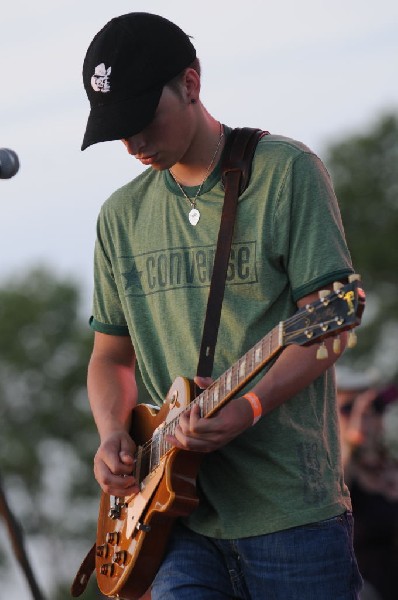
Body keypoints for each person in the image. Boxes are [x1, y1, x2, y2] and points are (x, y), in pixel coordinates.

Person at [81, 12, 363, 599]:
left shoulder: (288, 173)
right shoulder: (119, 217)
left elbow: (329, 327)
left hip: (291, 516)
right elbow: (110, 357)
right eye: (118, 130)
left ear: (191, 83)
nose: (132, 144)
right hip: (171, 523)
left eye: (141, 120)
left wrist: (251, 406)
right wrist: (112, 434)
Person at [336, 368, 398, 600]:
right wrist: (353, 437)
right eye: (348, 408)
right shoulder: (335, 469)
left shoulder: (391, 469)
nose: (365, 416)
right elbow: (339, 482)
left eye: (375, 408)